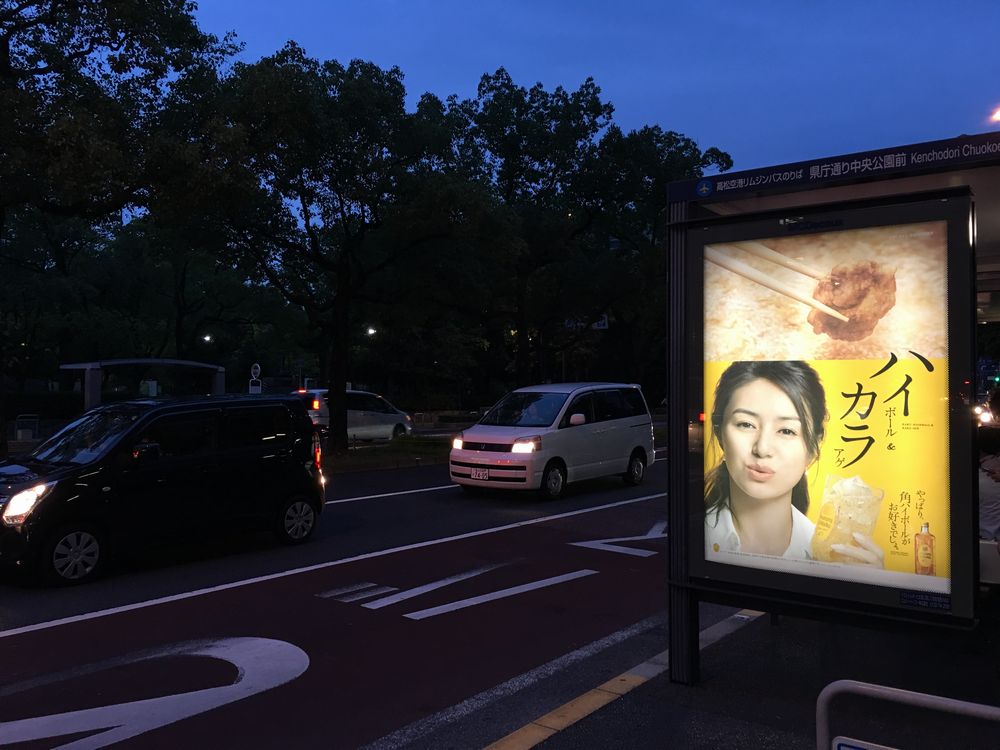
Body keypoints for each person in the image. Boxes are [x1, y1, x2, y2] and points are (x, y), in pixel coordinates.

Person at [704, 360, 883, 566]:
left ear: (813, 448)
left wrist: (870, 582)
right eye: (746, 424)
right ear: (719, 433)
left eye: (786, 431)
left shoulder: (831, 558)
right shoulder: (692, 536)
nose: (762, 448)